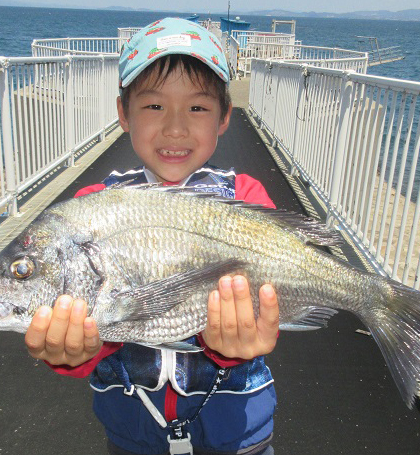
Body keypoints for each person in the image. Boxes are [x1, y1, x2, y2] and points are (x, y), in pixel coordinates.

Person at [25, 17, 280, 455]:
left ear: (224, 117)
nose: (175, 128)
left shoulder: (246, 199)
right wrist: (70, 352)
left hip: (239, 436)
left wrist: (234, 347)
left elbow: (276, 300)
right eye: (154, 106)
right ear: (123, 113)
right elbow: (93, 336)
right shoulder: (90, 212)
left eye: (197, 108)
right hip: (133, 437)